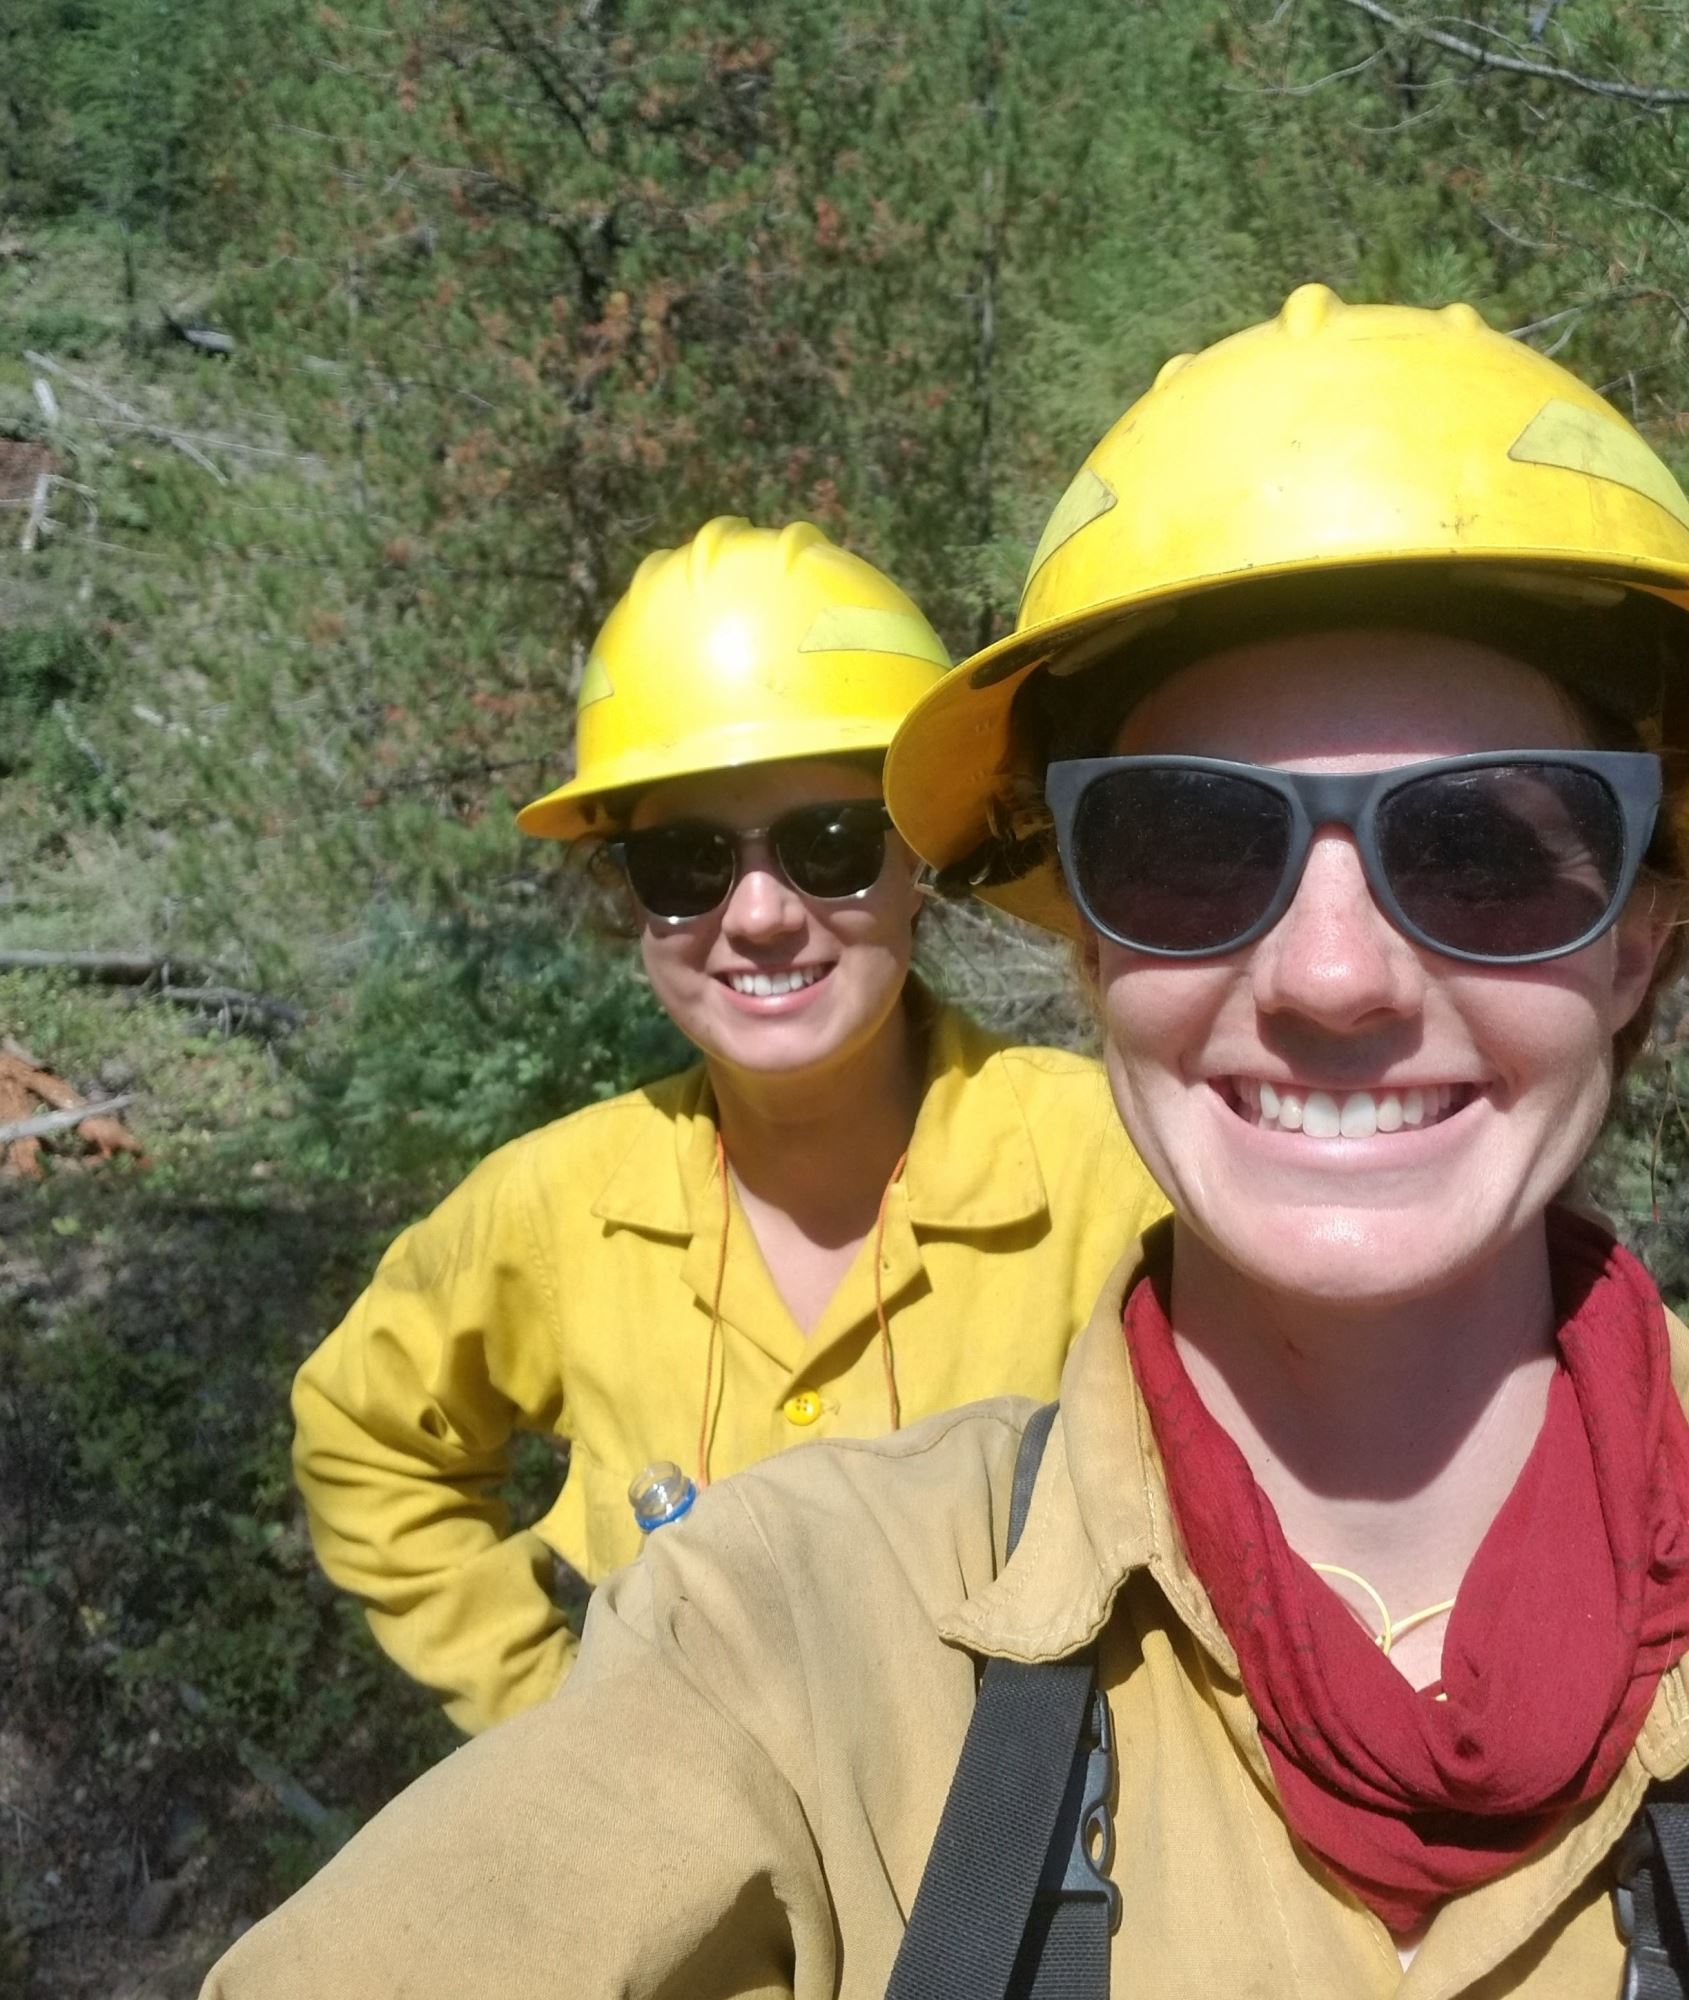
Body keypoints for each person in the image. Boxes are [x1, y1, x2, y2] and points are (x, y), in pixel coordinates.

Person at [206, 288, 1689, 1997]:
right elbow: (374, 1452)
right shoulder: (761, 1610)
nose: (1331, 974)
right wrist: (559, 1691)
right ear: (1085, 937)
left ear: (1638, 935)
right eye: (1189, 849)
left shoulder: (1073, 1147)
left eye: (1486, 854)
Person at [291, 514, 1169, 1734]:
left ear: (922, 859)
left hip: (1036, 1901)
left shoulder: (1121, 1168)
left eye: (832, 844)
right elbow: (365, 1437)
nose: (758, 913)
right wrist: (546, 1724)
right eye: (687, 862)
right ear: (633, 899)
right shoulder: (553, 1207)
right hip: (697, 1906)